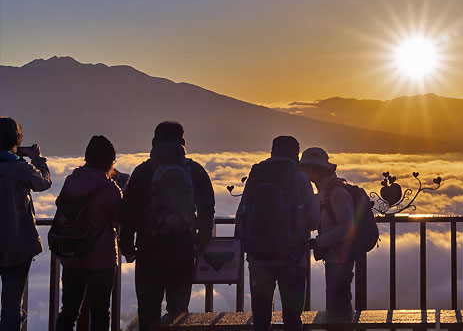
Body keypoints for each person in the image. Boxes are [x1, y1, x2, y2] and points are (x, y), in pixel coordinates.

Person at [120, 121, 215, 331]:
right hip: (183, 249)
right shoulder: (195, 171)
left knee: (148, 311)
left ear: (154, 142)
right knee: (179, 313)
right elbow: (208, 208)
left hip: (149, 249)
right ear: (182, 142)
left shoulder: (143, 171)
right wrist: (201, 238)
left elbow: (129, 212)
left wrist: (126, 245)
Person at [235, 136, 319, 331]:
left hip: (258, 257)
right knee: (293, 319)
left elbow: (243, 212)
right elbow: (314, 218)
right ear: (295, 154)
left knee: (261, 318)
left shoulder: (257, 174)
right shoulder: (299, 178)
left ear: (272, 151)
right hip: (293, 258)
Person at [55, 136, 123, 331]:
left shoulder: (71, 181)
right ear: (110, 161)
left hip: (72, 254)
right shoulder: (109, 187)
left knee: (68, 310)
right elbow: (120, 217)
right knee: (100, 313)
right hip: (102, 260)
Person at [0, 117, 52, 331]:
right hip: (17, 245)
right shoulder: (21, 169)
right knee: (12, 307)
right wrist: (38, 159)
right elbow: (45, 181)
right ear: (17, 141)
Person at [298, 148, 355, 318]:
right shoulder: (326, 191)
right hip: (335, 257)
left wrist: (319, 242)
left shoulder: (336, 192)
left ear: (318, 170)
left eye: (307, 169)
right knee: (336, 303)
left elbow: (347, 227)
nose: (305, 174)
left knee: (338, 306)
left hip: (340, 257)